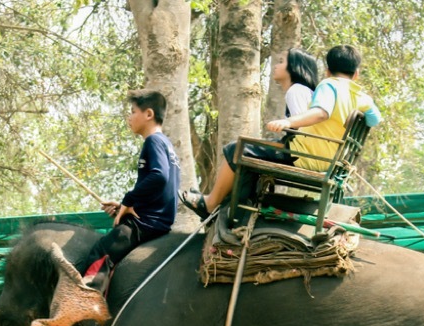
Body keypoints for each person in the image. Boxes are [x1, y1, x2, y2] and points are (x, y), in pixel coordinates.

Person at [180, 45, 381, 220]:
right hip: (331, 160)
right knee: (255, 149)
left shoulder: (328, 85)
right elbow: (375, 119)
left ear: (327, 71)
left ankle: (211, 203)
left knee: (236, 149)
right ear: (356, 74)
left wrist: (288, 121)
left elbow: (321, 112)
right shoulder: (363, 97)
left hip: (306, 155)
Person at [77, 89, 181, 291]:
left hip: (146, 225)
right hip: (156, 221)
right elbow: (161, 188)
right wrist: (124, 207)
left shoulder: (154, 141)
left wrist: (128, 200)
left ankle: (84, 309)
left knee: (99, 252)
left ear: (148, 114)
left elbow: (159, 176)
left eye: (133, 111)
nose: (129, 117)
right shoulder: (166, 144)